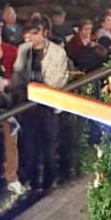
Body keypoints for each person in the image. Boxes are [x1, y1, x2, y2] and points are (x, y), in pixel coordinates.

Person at [13, 17, 71, 192]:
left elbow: (57, 80)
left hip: (47, 105)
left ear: (44, 32)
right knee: (29, 145)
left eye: (36, 33)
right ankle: (32, 182)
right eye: (29, 33)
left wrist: (39, 88)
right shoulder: (23, 50)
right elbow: (18, 74)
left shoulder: (57, 53)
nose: (32, 37)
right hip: (27, 105)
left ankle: (48, 181)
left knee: (48, 145)